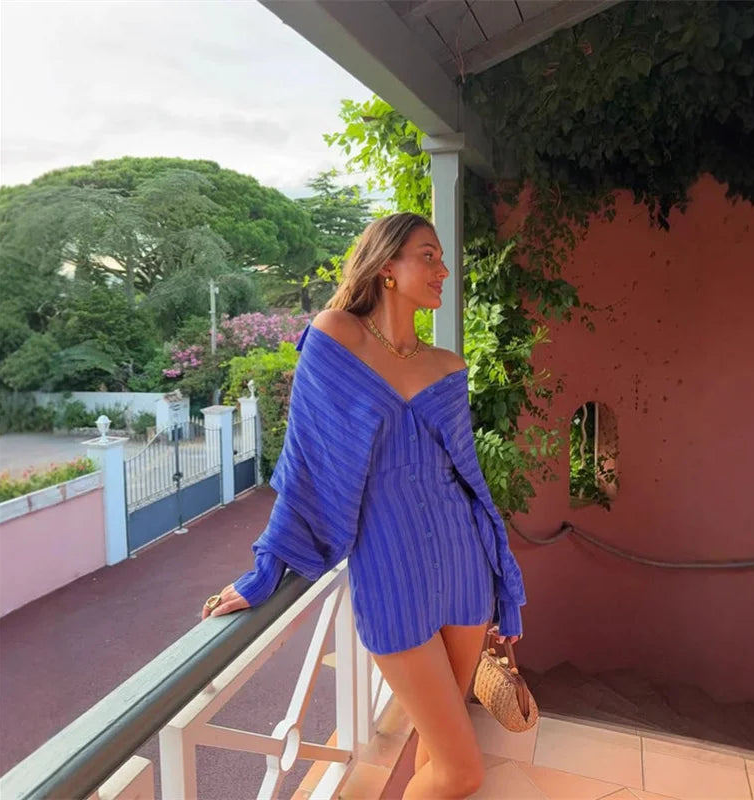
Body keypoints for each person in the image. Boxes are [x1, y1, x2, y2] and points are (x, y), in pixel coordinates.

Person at [201, 212, 527, 799]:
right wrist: (266, 569)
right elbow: (307, 461)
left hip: (463, 566)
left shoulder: (448, 365)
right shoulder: (336, 336)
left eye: (442, 259)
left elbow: (468, 481)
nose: (442, 270)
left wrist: (501, 575)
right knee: (463, 770)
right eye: (428, 255)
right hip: (390, 566)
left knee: (439, 736)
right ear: (386, 268)